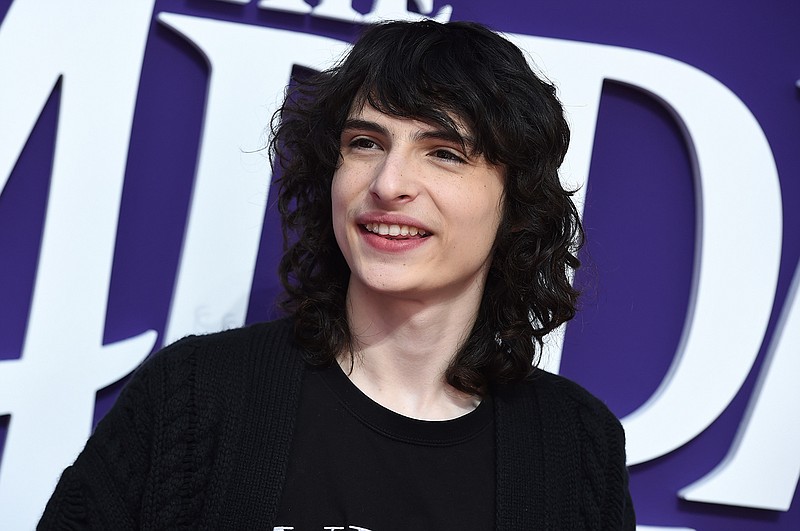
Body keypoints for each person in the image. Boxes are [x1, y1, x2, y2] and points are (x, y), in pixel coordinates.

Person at [39, 20, 635, 530]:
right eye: (366, 143)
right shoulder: (194, 395)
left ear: (517, 202)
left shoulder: (576, 446)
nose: (388, 183)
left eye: (444, 152)